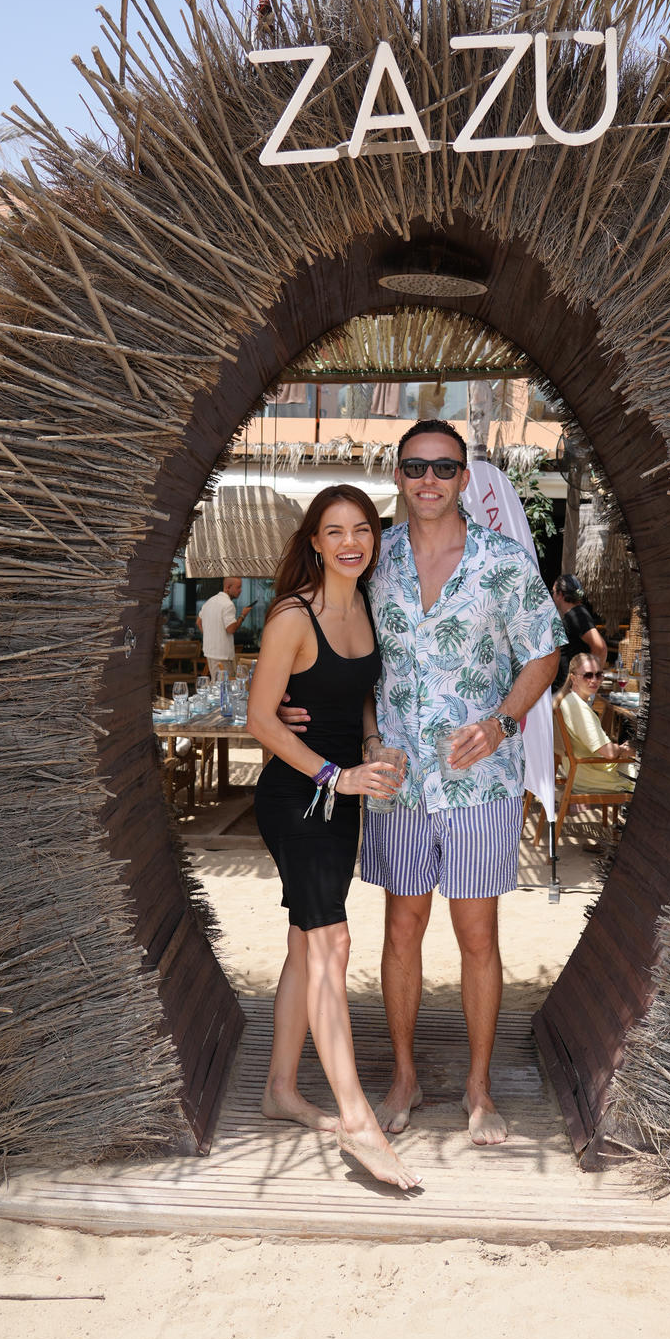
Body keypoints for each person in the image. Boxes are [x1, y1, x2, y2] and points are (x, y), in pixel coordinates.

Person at [285, 421, 563, 1146]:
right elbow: (337, 647)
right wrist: (302, 705)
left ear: (465, 478)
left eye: (443, 468)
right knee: (401, 928)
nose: (429, 480)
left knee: (478, 935)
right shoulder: (372, 561)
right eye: (415, 467)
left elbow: (544, 655)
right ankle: (404, 1077)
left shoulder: (505, 562)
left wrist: (502, 723)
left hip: (482, 783)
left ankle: (479, 1087)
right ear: (398, 475)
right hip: (399, 782)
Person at [244, 486, 418, 1191]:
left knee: (304, 943)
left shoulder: (366, 605)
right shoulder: (294, 615)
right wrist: (334, 776)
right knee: (332, 944)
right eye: (335, 531)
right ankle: (356, 1120)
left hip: (342, 799)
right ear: (314, 541)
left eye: (362, 530)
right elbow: (261, 719)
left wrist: (372, 748)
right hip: (297, 798)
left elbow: (360, 696)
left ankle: (280, 1089)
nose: (351, 542)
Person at [554, 654, 637, 793]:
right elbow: (609, 753)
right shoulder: (579, 709)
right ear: (573, 678)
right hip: (596, 779)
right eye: (588, 675)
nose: (594, 680)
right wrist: (623, 749)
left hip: (581, 774)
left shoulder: (568, 701)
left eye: (598, 675)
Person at [552, 573, 608, 687]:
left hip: (571, 689)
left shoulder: (578, 615)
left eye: (553, 592)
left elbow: (600, 647)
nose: (552, 596)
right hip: (566, 687)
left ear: (560, 594)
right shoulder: (573, 614)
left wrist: (590, 680)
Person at [199, 576, 251, 674]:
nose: (240, 590)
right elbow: (231, 629)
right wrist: (243, 615)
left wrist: (210, 637)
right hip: (222, 654)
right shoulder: (228, 604)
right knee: (225, 682)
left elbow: (199, 622)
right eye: (238, 587)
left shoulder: (210, 601)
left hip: (209, 651)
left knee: (216, 680)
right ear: (228, 587)